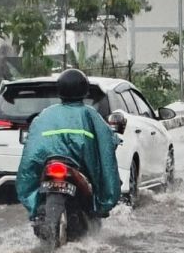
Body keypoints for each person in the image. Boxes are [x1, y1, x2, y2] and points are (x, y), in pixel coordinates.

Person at [15, 68, 121, 222]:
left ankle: (37, 212)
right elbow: (106, 143)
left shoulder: (45, 114)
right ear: (84, 90)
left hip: (50, 164)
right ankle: (96, 209)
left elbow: (31, 149)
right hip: (73, 168)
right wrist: (114, 140)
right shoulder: (90, 114)